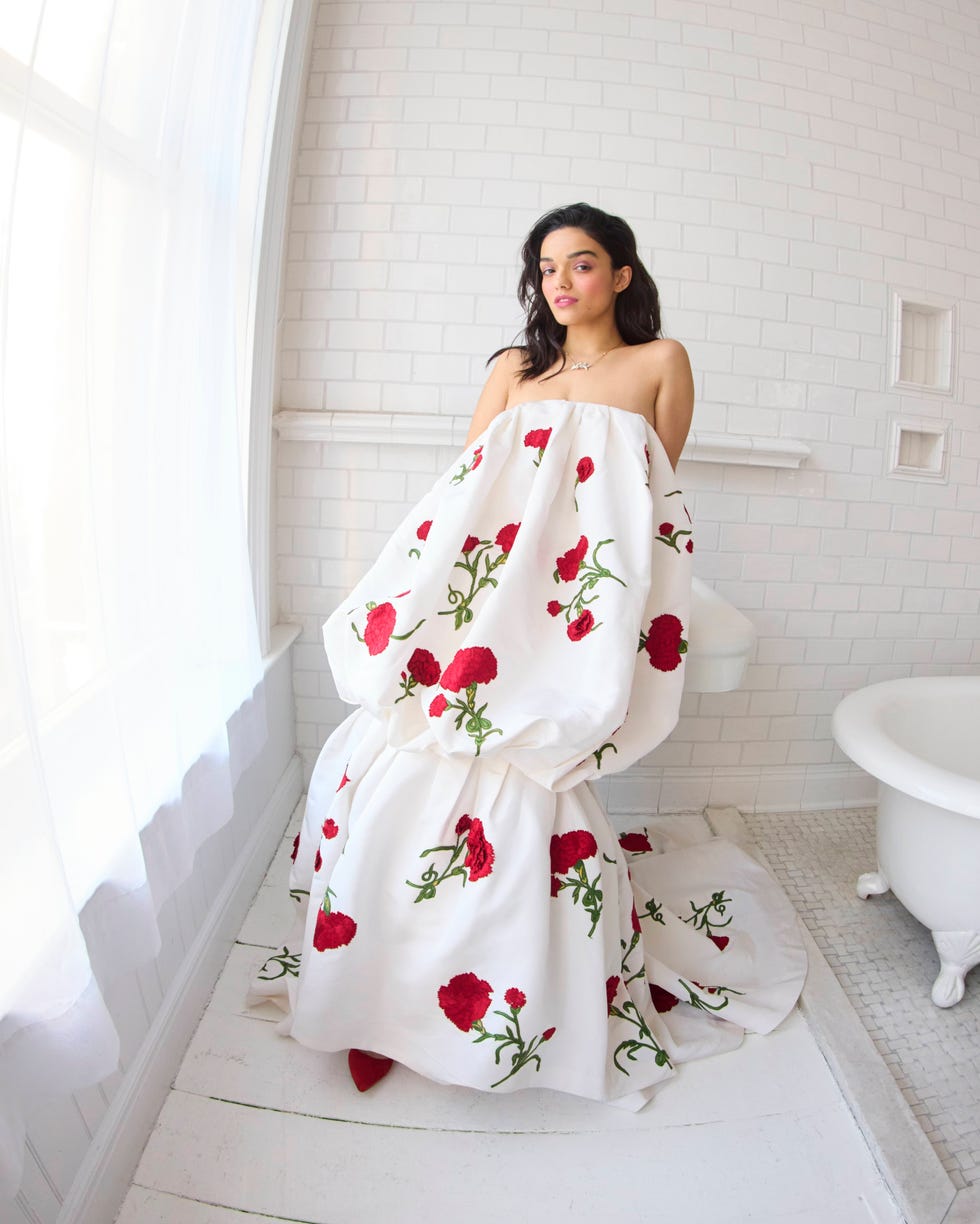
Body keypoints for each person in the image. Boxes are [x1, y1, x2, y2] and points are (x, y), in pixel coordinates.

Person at [250, 203, 806, 1107]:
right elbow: (466, 490)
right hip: (486, 587)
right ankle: (372, 998)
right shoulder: (515, 369)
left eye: (581, 264)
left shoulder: (660, 364)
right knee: (405, 758)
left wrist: (588, 616)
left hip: (576, 599)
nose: (560, 281)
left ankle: (497, 1002)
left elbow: (646, 504)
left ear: (621, 274)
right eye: (546, 266)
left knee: (526, 776)